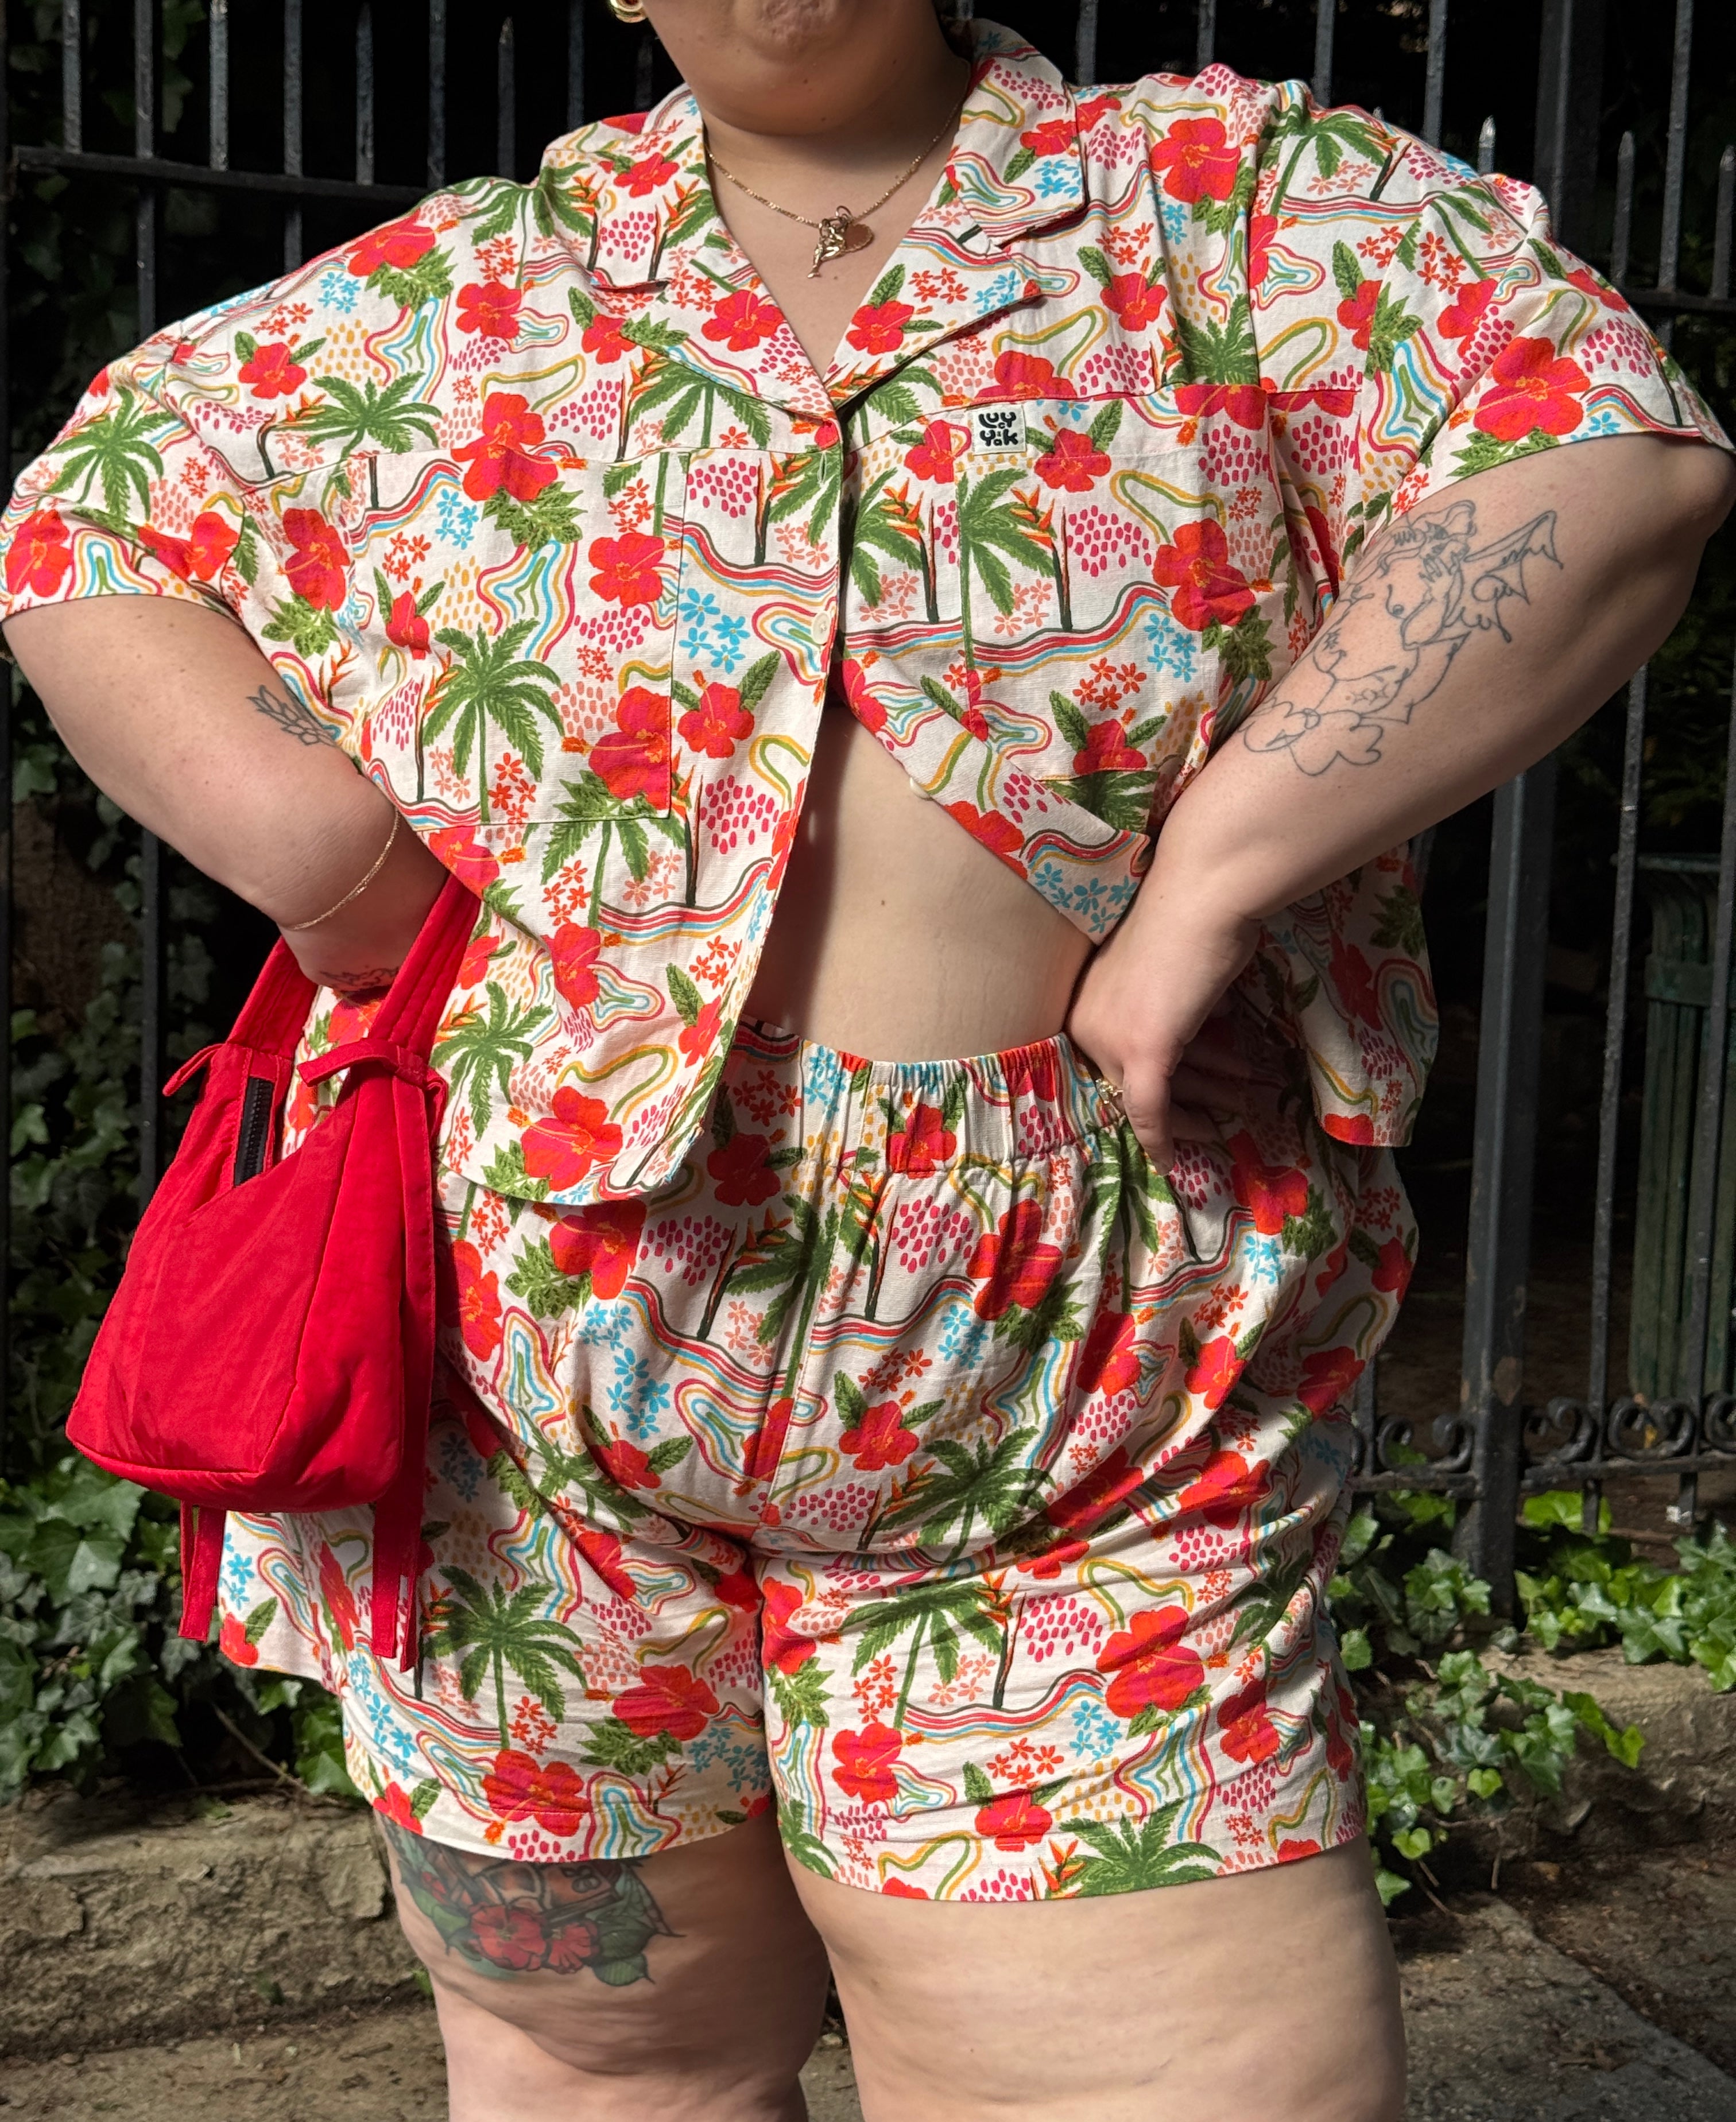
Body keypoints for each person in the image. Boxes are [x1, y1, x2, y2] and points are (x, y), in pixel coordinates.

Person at [3, 2, 1731, 2115]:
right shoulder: (461, 292)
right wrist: (341, 872)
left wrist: (1219, 872)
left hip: (1092, 1410)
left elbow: (1606, 455)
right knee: (598, 2073)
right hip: (524, 1429)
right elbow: (88, 527)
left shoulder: (1224, 206)